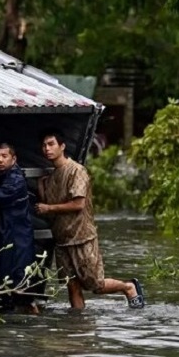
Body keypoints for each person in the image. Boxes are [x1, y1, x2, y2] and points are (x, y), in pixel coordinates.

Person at [35, 129, 145, 310]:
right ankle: (78, 327)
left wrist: (49, 207)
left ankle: (128, 287)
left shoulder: (76, 171)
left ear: (62, 146)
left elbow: (78, 204)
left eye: (51, 144)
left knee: (96, 285)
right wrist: (41, 188)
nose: (47, 149)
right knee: (72, 286)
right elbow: (49, 207)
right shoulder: (52, 176)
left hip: (82, 237)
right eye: (44, 145)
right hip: (62, 240)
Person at [0, 143, 38, 312]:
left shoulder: (15, 179)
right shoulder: (0, 175)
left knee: (19, 286)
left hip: (17, 240)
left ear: (14, 159)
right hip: (6, 237)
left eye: (4, 156)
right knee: (4, 282)